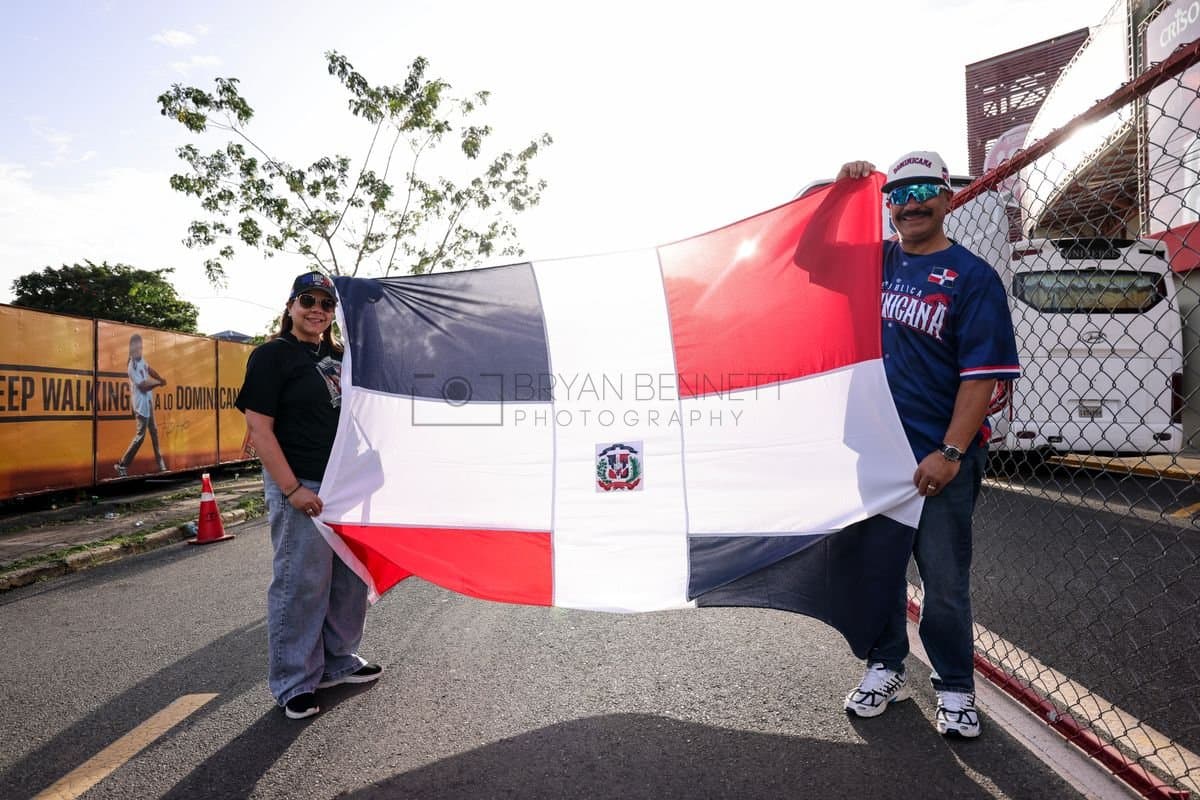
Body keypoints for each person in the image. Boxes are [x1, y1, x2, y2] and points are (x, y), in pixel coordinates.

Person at [836, 151, 1020, 738]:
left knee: (942, 579)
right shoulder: (874, 264)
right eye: (899, 192)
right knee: (879, 570)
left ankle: (955, 688)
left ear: (947, 198)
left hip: (939, 455)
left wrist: (951, 451)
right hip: (876, 450)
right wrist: (844, 192)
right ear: (888, 204)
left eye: (924, 191)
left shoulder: (973, 278)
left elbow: (981, 376)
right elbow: (804, 259)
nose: (911, 203)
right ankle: (885, 666)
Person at [235, 270, 382, 720]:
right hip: (305, 485)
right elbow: (259, 429)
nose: (317, 309)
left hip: (346, 485)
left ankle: (338, 661)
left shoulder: (343, 357)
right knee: (302, 585)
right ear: (290, 306)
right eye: (308, 301)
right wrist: (292, 488)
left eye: (325, 303)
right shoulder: (272, 356)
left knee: (349, 581)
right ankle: (294, 681)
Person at [115, 333, 167, 476]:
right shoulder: (131, 366)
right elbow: (144, 386)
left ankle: (160, 462)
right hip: (140, 406)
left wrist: (160, 377)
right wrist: (158, 383)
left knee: (154, 432)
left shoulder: (141, 360)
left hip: (148, 402)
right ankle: (122, 465)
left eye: (141, 347)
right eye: (137, 347)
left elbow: (150, 369)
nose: (140, 350)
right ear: (131, 348)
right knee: (140, 436)